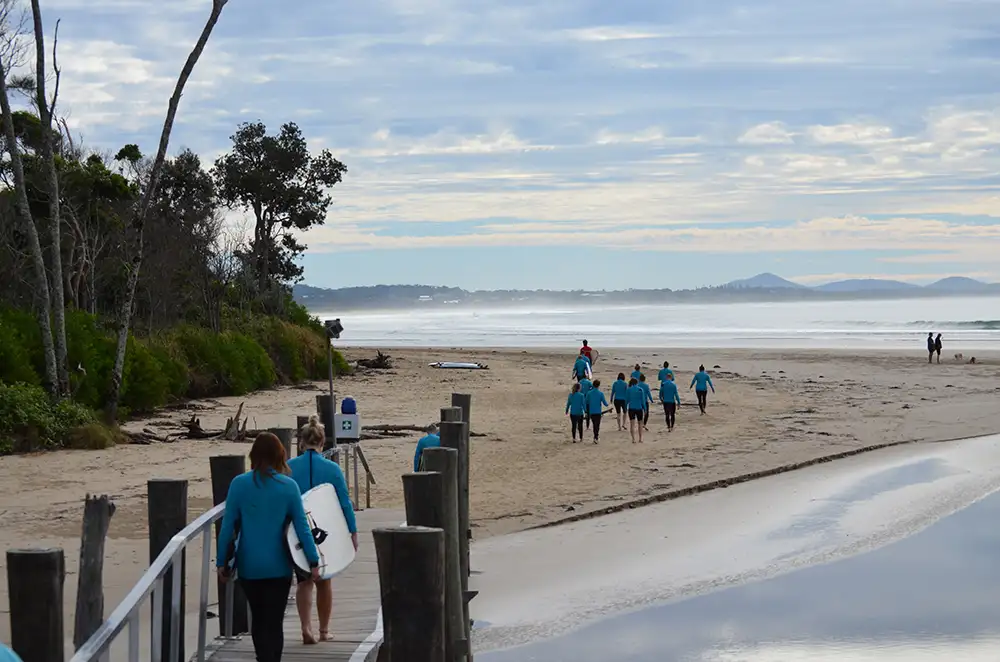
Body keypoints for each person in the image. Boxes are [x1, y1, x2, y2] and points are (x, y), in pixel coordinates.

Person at [217, 433, 320, 662]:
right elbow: (303, 529)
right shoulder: (289, 487)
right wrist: (313, 561)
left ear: (253, 456)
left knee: (260, 619)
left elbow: (227, 528)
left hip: (249, 565)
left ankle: (263, 658)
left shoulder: (239, 484)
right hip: (279, 566)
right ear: (280, 456)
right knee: (274, 622)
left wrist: (221, 563)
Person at [289, 416, 359, 644]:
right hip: (324, 530)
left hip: (296, 531)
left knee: (304, 580)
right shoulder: (332, 469)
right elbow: (344, 502)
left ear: (301, 443)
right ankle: (324, 630)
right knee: (324, 580)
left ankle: (305, 627)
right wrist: (352, 531)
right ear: (323, 443)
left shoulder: (289, 468)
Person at [585, 379, 609, 443]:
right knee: (597, 425)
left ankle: (595, 436)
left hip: (591, 411)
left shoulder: (589, 393)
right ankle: (596, 437)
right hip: (598, 411)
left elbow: (586, 402)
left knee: (594, 424)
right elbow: (604, 402)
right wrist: (608, 405)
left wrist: (586, 410)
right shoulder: (600, 393)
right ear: (599, 385)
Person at [625, 378, 647, 443]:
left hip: (631, 408)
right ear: (637, 383)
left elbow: (626, 400)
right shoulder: (640, 389)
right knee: (640, 424)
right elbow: (643, 401)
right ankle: (640, 438)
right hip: (639, 408)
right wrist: (645, 409)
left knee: (632, 424)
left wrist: (625, 407)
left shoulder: (629, 389)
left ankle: (633, 439)